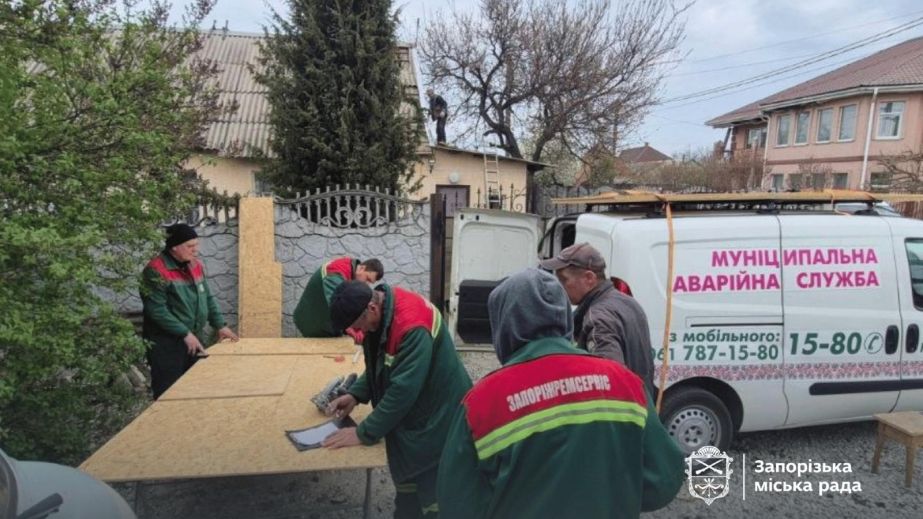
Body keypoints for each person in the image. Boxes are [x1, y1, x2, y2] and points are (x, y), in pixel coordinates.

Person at [436, 269, 684, 519]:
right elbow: (663, 481)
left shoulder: (482, 403)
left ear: (502, 323)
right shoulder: (625, 384)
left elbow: (457, 504)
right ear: (565, 315)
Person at [323, 281, 473, 519]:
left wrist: (364, 432)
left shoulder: (411, 326)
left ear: (372, 308)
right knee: (409, 486)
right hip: (420, 409)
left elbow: (402, 391)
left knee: (433, 484)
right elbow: (385, 364)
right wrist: (356, 394)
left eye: (357, 325)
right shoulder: (384, 311)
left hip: (440, 413)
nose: (359, 331)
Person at [541, 242, 656, 395]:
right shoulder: (628, 302)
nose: (559, 286)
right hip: (641, 405)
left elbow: (609, 380)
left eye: (564, 280)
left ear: (589, 278)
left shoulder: (598, 318)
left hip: (620, 413)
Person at [141, 223, 238, 399]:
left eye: (196, 245)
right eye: (190, 246)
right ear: (174, 247)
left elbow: (207, 298)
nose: (195, 250)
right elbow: (156, 311)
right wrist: (184, 333)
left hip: (192, 337)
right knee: (168, 392)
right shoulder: (155, 271)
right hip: (166, 343)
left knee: (195, 387)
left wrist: (220, 325)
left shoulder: (195, 265)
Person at [292, 257, 383, 338]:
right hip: (311, 322)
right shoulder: (336, 275)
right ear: (362, 268)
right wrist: (349, 327)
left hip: (319, 318)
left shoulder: (350, 269)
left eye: (370, 282)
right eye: (367, 279)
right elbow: (338, 309)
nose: (366, 284)